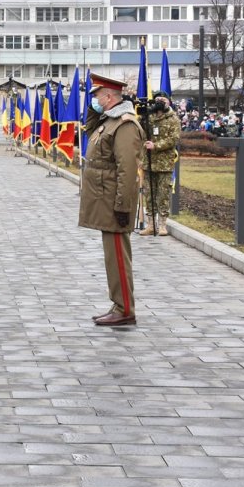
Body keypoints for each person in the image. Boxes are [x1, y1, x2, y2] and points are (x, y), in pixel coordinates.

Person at [79, 74, 144, 327]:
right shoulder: (110, 121)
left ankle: (125, 309)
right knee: (112, 257)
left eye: (97, 96)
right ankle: (119, 304)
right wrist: (94, 111)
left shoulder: (125, 125)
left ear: (108, 97)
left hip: (113, 201)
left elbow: (127, 170)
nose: (94, 100)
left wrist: (122, 206)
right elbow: (90, 131)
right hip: (104, 198)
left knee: (117, 257)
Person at [139, 90, 180, 237]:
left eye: (163, 100)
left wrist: (156, 145)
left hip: (164, 164)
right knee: (149, 195)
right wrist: (142, 115)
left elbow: (174, 139)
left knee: (163, 195)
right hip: (149, 162)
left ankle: (162, 225)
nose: (160, 103)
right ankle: (151, 225)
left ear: (168, 102)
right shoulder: (149, 117)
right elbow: (140, 132)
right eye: (158, 100)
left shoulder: (173, 118)